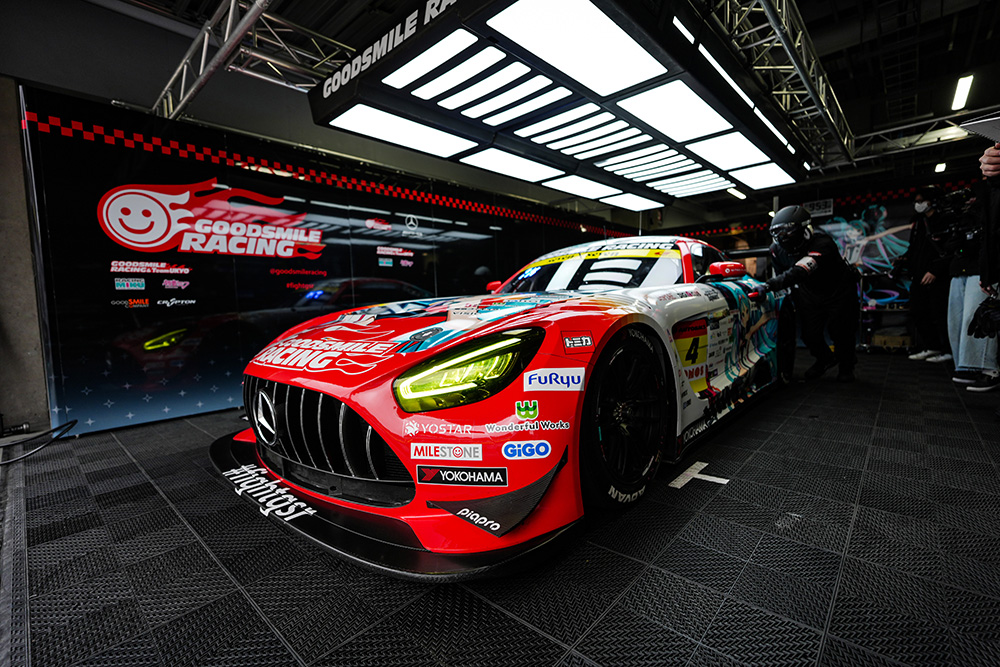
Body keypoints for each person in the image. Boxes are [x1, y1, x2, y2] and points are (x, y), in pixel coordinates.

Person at [757, 205, 861, 381]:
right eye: (778, 232)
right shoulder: (776, 250)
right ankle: (825, 359)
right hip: (809, 292)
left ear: (803, 230)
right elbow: (783, 272)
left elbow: (800, 270)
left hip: (838, 291)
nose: (782, 237)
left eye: (786, 231)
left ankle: (846, 366)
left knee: (841, 331)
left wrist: (768, 285)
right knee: (809, 333)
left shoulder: (823, 244)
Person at [942, 188, 999, 391]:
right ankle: (965, 366)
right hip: (960, 270)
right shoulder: (961, 219)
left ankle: (988, 368)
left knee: (976, 318)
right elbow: (950, 245)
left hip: (980, 270)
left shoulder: (989, 210)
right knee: (956, 321)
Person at [895, 186, 952, 362]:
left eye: (921, 201)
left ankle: (948, 349)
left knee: (940, 313)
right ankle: (932, 346)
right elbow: (914, 247)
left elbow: (949, 249)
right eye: (916, 201)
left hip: (938, 276)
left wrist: (935, 270)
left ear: (931, 201)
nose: (918, 204)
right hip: (918, 275)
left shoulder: (944, 220)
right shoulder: (919, 222)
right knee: (918, 311)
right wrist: (904, 260)